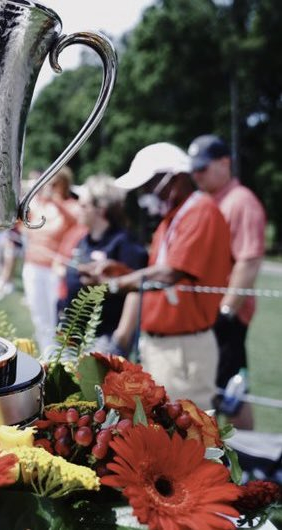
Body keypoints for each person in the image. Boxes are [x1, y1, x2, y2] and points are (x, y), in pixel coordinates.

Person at [84, 143, 232, 408]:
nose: (144, 194)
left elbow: (169, 274)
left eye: (149, 185)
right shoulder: (174, 217)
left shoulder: (200, 211)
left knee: (188, 435)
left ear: (174, 178)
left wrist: (117, 283)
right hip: (164, 346)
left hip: (182, 348)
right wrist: (116, 270)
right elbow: (157, 276)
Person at [189, 134, 266, 429]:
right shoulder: (211, 201)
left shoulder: (241, 201)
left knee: (230, 390)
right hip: (209, 313)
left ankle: (251, 458)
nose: (197, 175)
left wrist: (226, 310)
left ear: (225, 163)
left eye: (203, 168)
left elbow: (249, 261)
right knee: (216, 387)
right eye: (194, 169)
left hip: (225, 316)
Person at [61, 176, 148, 353]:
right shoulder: (85, 240)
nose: (78, 209)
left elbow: (135, 291)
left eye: (84, 205)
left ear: (101, 209)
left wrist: (121, 337)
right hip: (73, 336)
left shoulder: (125, 243)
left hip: (103, 339)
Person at [22, 166, 78, 354]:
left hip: (54, 270)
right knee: (39, 315)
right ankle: (47, 354)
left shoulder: (70, 206)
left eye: (54, 183)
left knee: (57, 317)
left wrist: (55, 200)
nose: (50, 187)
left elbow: (75, 220)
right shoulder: (38, 204)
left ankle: (59, 357)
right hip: (33, 266)